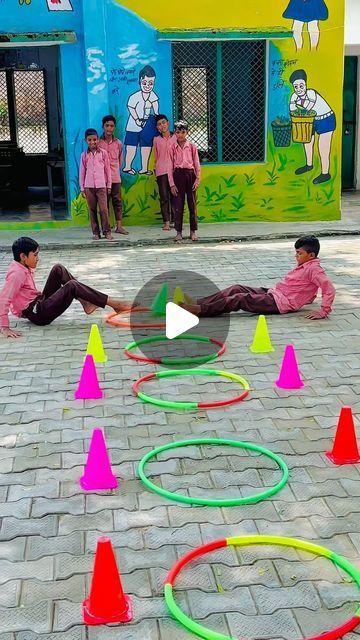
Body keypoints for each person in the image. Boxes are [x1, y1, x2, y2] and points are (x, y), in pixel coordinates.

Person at [0, 237, 135, 338]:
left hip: (38, 302)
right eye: (35, 255)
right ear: (23, 256)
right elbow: (4, 299)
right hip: (38, 314)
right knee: (72, 286)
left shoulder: (21, 266)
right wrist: (5, 327)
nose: (38, 258)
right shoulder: (16, 274)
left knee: (58, 269)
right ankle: (114, 304)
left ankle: (86, 302)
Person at [181, 236, 335, 319]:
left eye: (299, 253)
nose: (296, 256)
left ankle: (200, 310)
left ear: (311, 255)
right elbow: (306, 287)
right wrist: (310, 297)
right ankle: (197, 302)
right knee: (236, 287)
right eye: (296, 252)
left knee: (241, 298)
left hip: (280, 303)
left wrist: (323, 311)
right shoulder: (307, 265)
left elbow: (329, 288)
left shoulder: (315, 269)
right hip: (275, 293)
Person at [289, 69, 336, 185]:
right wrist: (295, 105)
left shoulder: (311, 93)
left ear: (306, 84)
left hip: (326, 118)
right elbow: (292, 111)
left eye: (301, 85)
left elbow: (307, 107)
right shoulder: (294, 96)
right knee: (307, 141)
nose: (299, 89)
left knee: (323, 147)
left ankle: (325, 173)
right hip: (311, 119)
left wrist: (297, 105)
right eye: (296, 87)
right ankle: (308, 165)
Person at [168, 121, 201, 242]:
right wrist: (171, 184)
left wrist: (197, 179)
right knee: (178, 205)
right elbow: (169, 166)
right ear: (175, 133)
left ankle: (193, 231)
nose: (181, 135)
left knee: (192, 204)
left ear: (187, 132)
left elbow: (197, 164)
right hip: (178, 175)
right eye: (178, 132)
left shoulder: (192, 146)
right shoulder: (172, 147)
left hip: (190, 175)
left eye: (183, 132)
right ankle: (178, 232)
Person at [123, 65, 159, 176]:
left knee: (146, 147)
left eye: (151, 83)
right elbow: (130, 108)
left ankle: (144, 168)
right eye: (145, 83)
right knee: (131, 147)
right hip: (133, 126)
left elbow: (155, 103)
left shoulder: (152, 95)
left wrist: (157, 115)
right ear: (140, 81)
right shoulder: (135, 96)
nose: (147, 86)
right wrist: (137, 119)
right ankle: (127, 166)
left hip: (146, 126)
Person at [80, 128, 113, 240]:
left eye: (94, 139)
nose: (92, 142)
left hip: (101, 186)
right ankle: (96, 233)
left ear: (98, 140)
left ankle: (107, 232)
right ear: (86, 141)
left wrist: (109, 185)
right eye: (89, 140)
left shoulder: (103, 154)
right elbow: (82, 172)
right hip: (89, 187)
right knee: (92, 210)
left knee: (104, 209)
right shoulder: (84, 155)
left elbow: (108, 170)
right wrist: (82, 188)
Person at [98, 115, 128, 235]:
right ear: (103, 126)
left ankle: (119, 226)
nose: (109, 128)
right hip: (102, 179)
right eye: (107, 126)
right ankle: (106, 227)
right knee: (104, 204)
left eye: (111, 126)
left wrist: (114, 171)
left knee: (117, 201)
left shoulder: (118, 144)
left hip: (115, 177)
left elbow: (120, 160)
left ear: (114, 127)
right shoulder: (98, 143)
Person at [153, 114, 176, 231]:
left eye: (163, 123)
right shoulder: (156, 140)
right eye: (159, 124)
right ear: (157, 128)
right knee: (164, 197)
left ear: (168, 123)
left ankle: (175, 221)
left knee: (175, 196)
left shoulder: (176, 137)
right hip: (161, 171)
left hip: (175, 171)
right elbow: (156, 156)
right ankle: (166, 222)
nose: (162, 125)